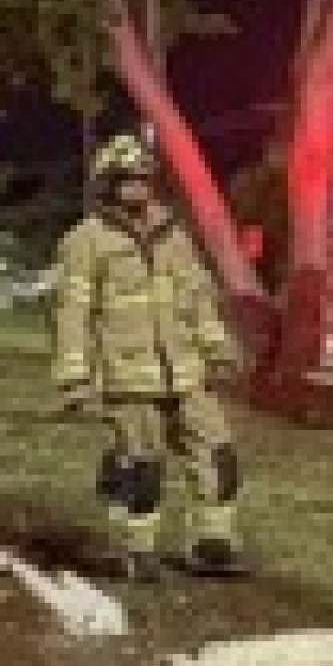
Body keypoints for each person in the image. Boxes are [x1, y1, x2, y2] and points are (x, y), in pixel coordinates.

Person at [49, 137, 247, 582]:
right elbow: (73, 313)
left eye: (143, 180)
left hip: (187, 374)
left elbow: (199, 299)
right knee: (142, 468)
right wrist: (74, 378)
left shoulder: (174, 238)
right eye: (126, 182)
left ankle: (211, 545)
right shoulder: (84, 242)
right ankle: (136, 551)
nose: (137, 189)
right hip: (127, 379)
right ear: (106, 186)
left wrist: (217, 349)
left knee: (219, 455)